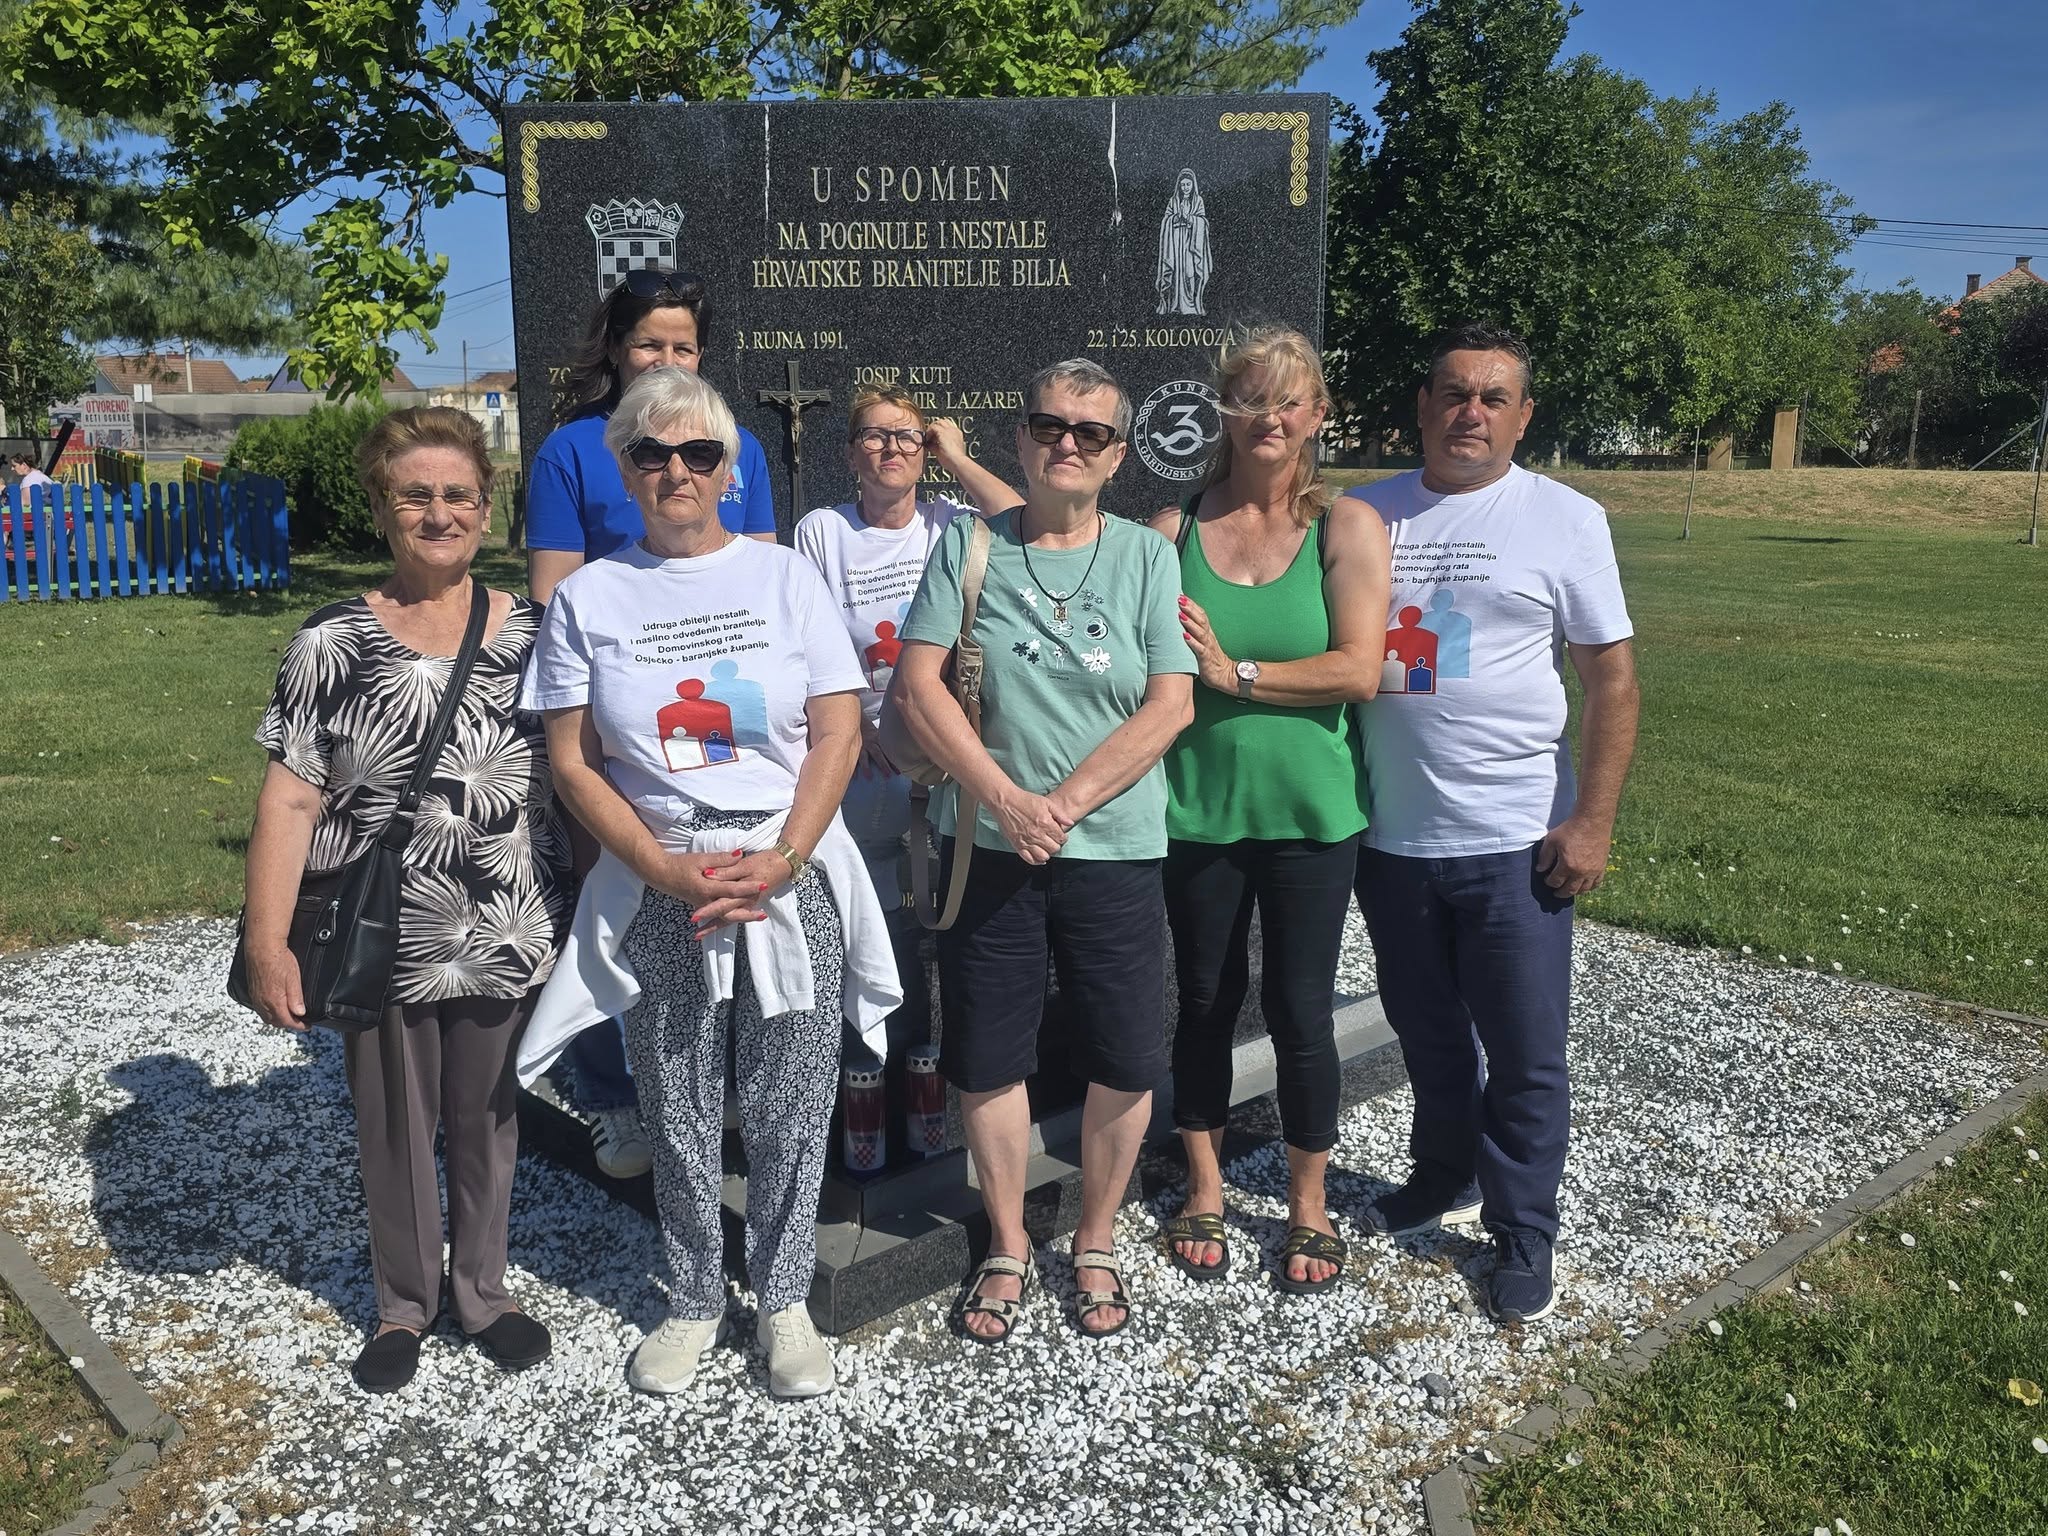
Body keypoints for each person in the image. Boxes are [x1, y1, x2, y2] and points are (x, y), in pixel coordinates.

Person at [519, 367, 900, 1399]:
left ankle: (782, 1299)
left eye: (698, 453)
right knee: (676, 1096)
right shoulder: (589, 598)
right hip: (664, 875)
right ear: (625, 469)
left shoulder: (785, 579)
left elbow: (837, 731)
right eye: (651, 453)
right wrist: (660, 868)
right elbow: (573, 762)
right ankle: (691, 1296)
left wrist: (785, 855)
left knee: (791, 1096)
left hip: (788, 867)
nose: (675, 471)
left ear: (729, 469)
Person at [241, 407, 573, 1393]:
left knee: (489, 1121)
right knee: (394, 1127)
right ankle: (403, 1305)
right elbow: (290, 797)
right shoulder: (331, 641)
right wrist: (267, 942)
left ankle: (482, 1292)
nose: (439, 514)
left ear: (487, 508)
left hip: (505, 918)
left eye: (457, 495)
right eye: (415, 495)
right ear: (382, 508)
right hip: (378, 930)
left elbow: (580, 774)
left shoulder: (536, 636)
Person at [891, 359, 1196, 1342]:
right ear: (1020, 439)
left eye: (1090, 432)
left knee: (1126, 1053)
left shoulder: (1146, 556)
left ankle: (1095, 1237)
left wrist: (1058, 806)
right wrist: (1004, 801)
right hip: (986, 847)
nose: (1067, 443)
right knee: (988, 1056)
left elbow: (1170, 705)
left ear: (1115, 455)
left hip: (1114, 849)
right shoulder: (969, 546)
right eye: (1049, 426)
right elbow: (918, 687)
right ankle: (1009, 1240)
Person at [1351, 323, 1640, 1324]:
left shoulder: (1564, 519)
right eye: (1452, 392)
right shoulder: (1365, 512)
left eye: (1492, 397)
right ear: (1422, 405)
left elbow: (1611, 681)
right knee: (1426, 1030)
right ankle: (1444, 1171)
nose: (1468, 412)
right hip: (1392, 837)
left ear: (1522, 416)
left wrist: (1592, 820)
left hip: (1514, 836)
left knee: (1522, 1052)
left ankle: (1522, 1230)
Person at [1149, 327, 1390, 1295]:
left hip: (1311, 816)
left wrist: (1233, 674)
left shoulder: (1344, 528)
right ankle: (1204, 1185)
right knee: (1204, 1003)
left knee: (1299, 1009)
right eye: (1249, 398)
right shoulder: (1173, 531)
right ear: (1224, 410)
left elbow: (1358, 670)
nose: (1269, 418)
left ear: (1317, 415)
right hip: (1197, 811)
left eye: (1288, 401)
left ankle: (1306, 1203)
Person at [523, 270, 776, 1181]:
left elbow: (761, 584)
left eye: (683, 347)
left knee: (724, 900)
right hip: (619, 721)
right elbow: (551, 594)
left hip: (721, 717)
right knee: (616, 902)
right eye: (648, 343)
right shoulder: (572, 450)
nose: (665, 359)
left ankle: (720, 1078)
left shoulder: (734, 445)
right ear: (615, 348)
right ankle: (610, 1095)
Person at [792, 389, 1021, 1106]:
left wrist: (959, 458)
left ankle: (934, 1063)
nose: (891, 447)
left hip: (949, 744)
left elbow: (1022, 521)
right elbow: (810, 637)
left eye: (908, 436)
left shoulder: (950, 521)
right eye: (874, 435)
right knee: (874, 913)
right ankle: (872, 1063)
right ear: (849, 452)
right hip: (863, 750)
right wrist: (854, 727)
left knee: (953, 901)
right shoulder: (823, 530)